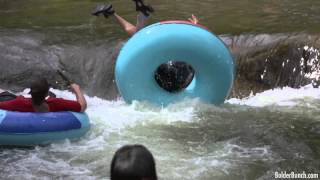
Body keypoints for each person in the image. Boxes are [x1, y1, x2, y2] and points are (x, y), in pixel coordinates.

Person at [92, 1, 198, 92]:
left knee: (137, 35)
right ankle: (136, 15)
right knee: (138, 35)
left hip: (167, 71)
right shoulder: (182, 74)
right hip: (169, 72)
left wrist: (195, 27)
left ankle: (115, 13)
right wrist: (196, 27)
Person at [0, 78, 87, 112]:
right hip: (33, 98)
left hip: (22, 99)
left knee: (5, 94)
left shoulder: (20, 102)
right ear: (46, 94)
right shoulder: (54, 102)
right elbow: (82, 106)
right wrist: (77, 89)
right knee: (52, 94)